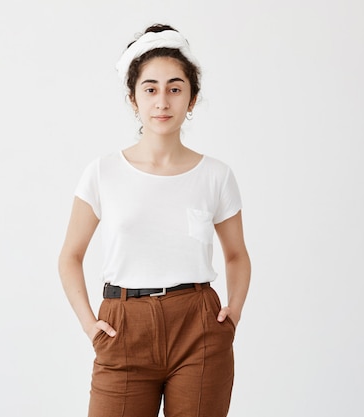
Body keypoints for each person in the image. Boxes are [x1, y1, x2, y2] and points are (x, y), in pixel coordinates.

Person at [58, 23, 251, 417]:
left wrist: (233, 312)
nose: (162, 100)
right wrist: (89, 324)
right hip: (124, 325)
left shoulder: (216, 175)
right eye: (150, 88)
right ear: (134, 99)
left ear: (191, 99)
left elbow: (236, 255)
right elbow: (70, 256)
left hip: (199, 326)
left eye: (175, 88)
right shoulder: (102, 172)